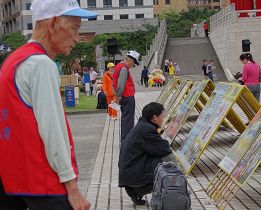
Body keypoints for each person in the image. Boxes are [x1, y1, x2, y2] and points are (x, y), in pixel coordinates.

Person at [0, 1, 98, 210]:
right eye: (74, 28)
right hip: (42, 180)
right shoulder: (41, 65)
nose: (76, 38)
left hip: (12, 179)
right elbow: (53, 130)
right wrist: (71, 185)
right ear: (53, 23)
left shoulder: (12, 61)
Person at [119, 102, 176, 205]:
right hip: (133, 175)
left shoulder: (142, 126)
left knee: (160, 158)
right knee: (168, 159)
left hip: (128, 174)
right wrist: (169, 136)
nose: (163, 119)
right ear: (154, 118)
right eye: (162, 116)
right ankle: (175, 190)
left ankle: (137, 191)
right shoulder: (146, 130)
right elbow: (164, 149)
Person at [113, 50, 140, 141]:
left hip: (124, 97)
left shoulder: (119, 66)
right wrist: (118, 96)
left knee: (125, 118)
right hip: (127, 97)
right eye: (134, 63)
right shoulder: (124, 68)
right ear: (130, 60)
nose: (133, 65)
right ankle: (126, 140)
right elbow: (121, 84)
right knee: (128, 120)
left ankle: (125, 139)